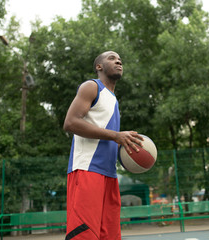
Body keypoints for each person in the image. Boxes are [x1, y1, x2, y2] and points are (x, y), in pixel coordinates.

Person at [63, 51, 143, 240]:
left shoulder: (113, 100)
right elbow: (71, 123)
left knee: (110, 235)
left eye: (120, 59)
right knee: (84, 235)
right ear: (99, 67)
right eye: (111, 58)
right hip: (87, 171)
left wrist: (128, 152)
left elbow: (107, 139)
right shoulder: (92, 87)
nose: (118, 61)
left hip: (109, 175)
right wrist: (116, 136)